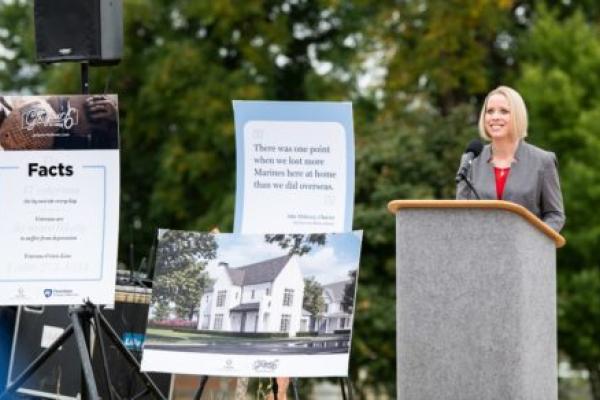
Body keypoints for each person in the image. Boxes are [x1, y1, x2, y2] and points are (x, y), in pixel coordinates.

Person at [456, 85, 565, 232]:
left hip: (526, 252)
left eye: (504, 111)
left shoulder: (543, 161)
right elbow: (460, 213)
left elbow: (555, 215)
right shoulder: (471, 160)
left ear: (517, 116)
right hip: (480, 250)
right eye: (490, 111)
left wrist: (533, 240)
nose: (495, 117)